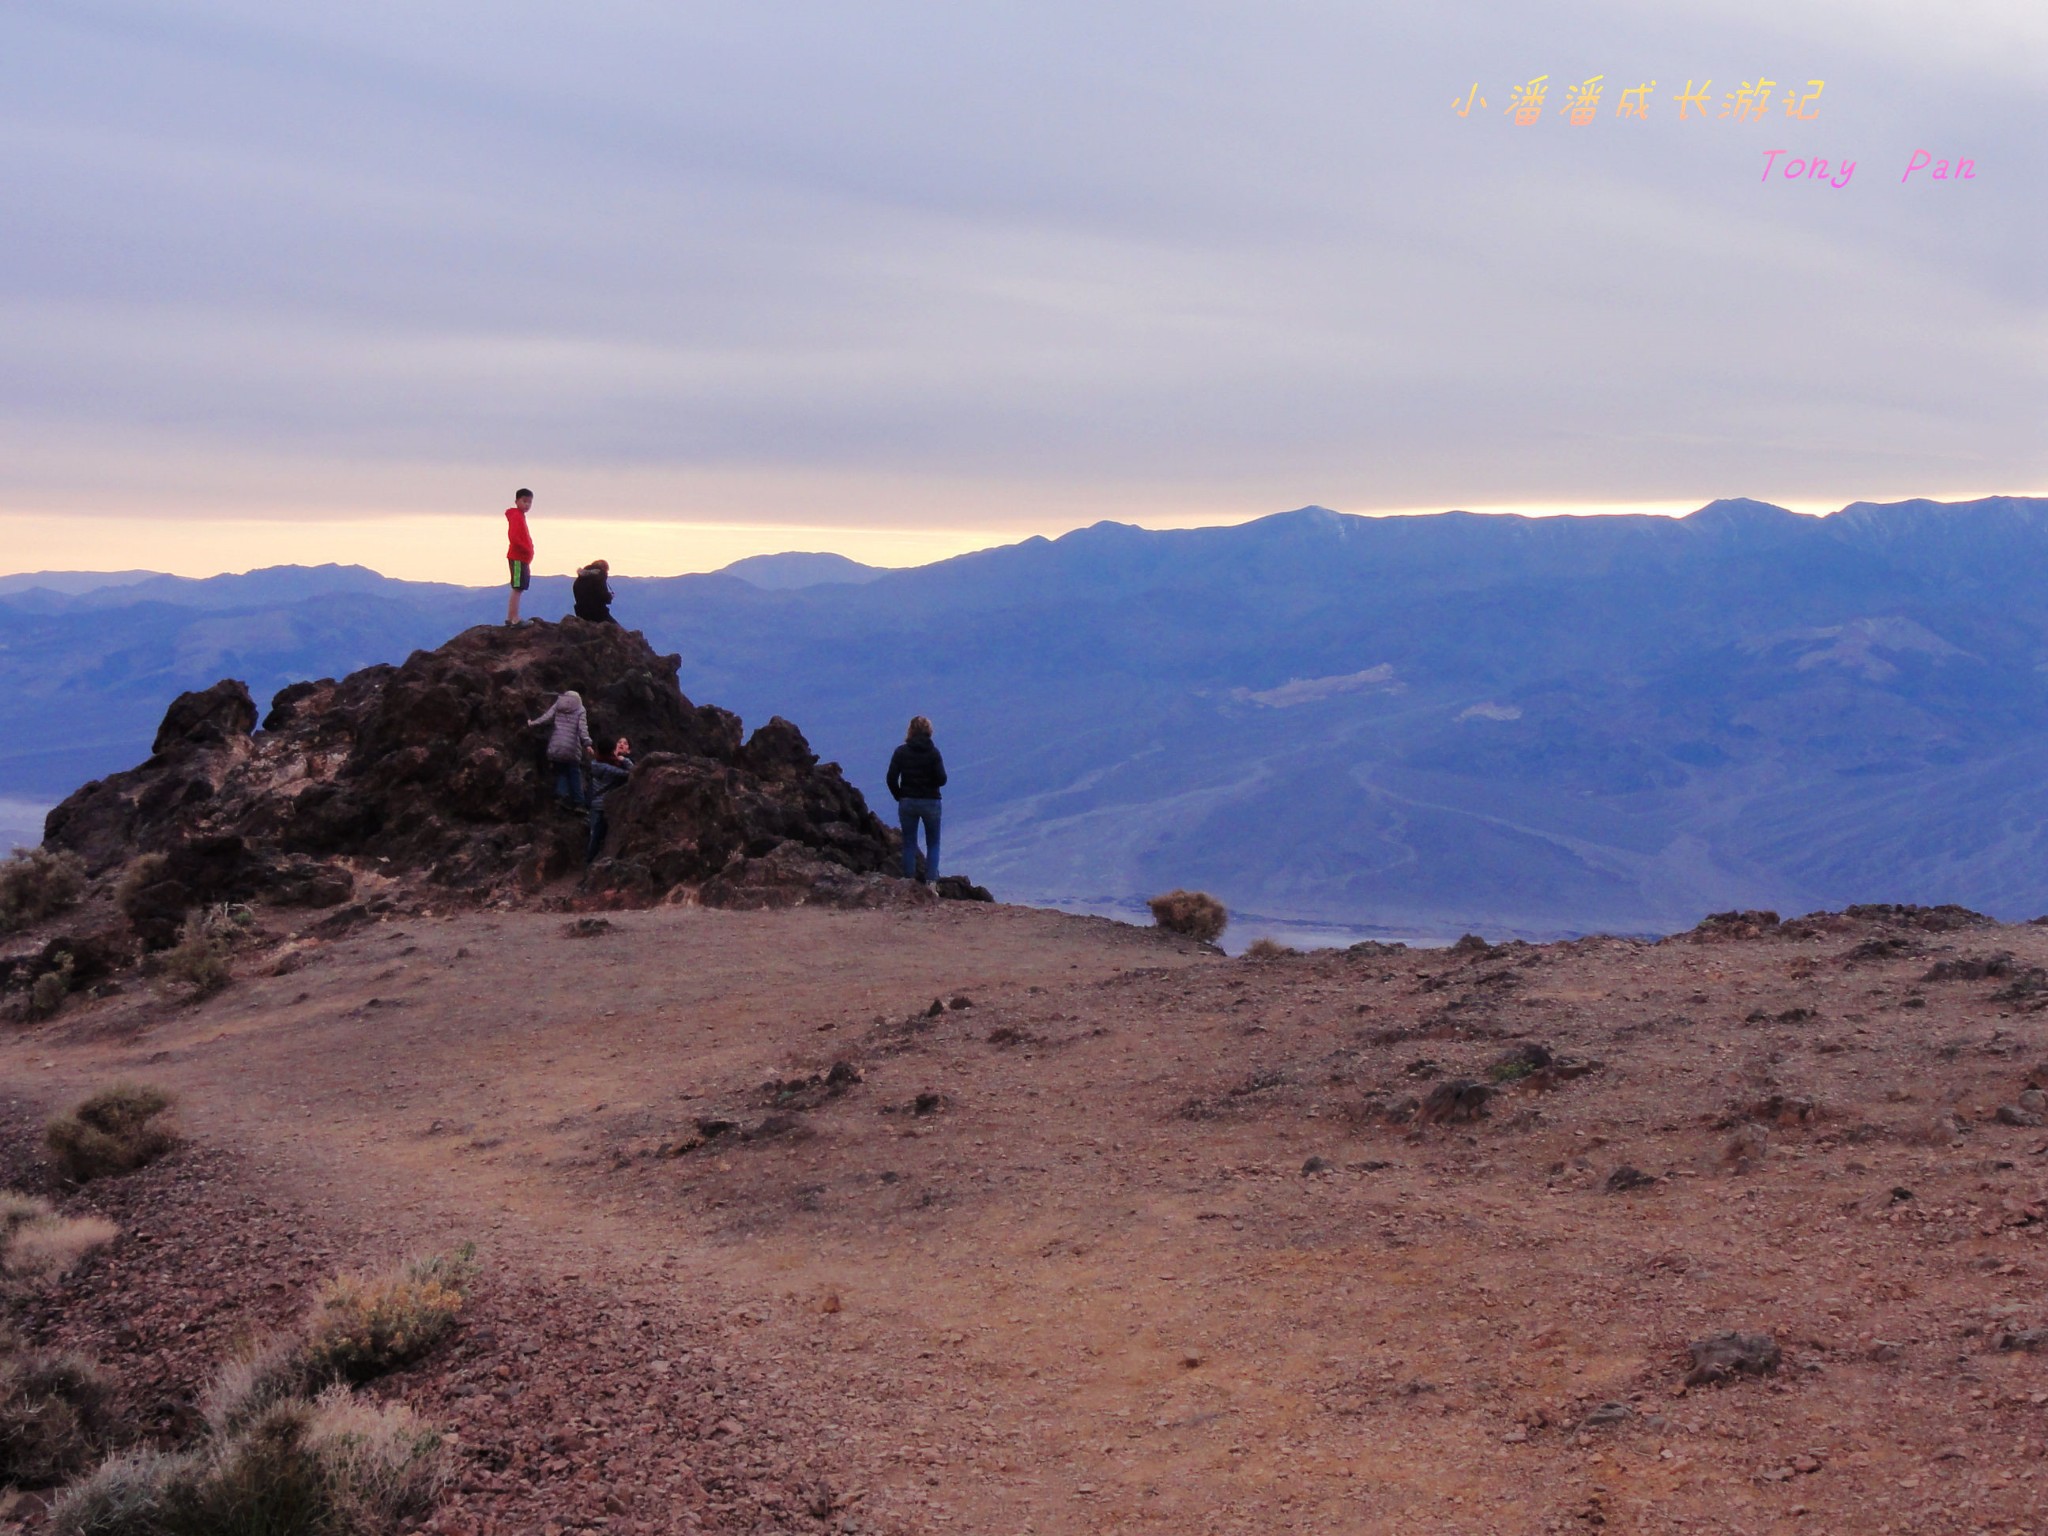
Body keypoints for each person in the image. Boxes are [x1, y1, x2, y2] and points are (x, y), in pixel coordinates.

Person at [886, 715, 946, 884]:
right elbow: (942, 779)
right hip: (931, 802)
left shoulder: (901, 752)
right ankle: (931, 883)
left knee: (909, 842)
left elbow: (891, 778)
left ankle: (908, 881)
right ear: (929, 731)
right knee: (933, 843)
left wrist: (899, 795)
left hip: (908, 801)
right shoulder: (933, 753)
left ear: (910, 731)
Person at [528, 689, 592, 808]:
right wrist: (587, 743)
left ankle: (561, 794)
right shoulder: (580, 709)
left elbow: (546, 717)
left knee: (561, 771)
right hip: (571, 748)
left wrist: (532, 723)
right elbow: (582, 729)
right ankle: (579, 802)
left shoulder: (559, 703)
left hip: (556, 746)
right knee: (574, 773)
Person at [586, 736, 633, 865]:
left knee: (594, 837)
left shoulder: (595, 763)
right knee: (605, 838)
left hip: (596, 805)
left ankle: (589, 865)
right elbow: (631, 773)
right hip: (608, 806)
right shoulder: (609, 767)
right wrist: (624, 760)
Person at [505, 488, 536, 625]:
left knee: (519, 587)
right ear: (517, 501)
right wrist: (525, 549)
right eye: (524, 501)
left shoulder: (520, 516)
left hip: (522, 558)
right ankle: (514, 618)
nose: (527, 505)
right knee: (517, 587)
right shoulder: (516, 516)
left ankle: (511, 617)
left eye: (529, 502)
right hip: (518, 557)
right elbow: (514, 536)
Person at [572, 559, 615, 624]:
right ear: (603, 569)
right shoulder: (598, 578)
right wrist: (609, 596)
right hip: (598, 614)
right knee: (616, 629)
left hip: (581, 613)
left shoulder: (578, 580)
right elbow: (603, 596)